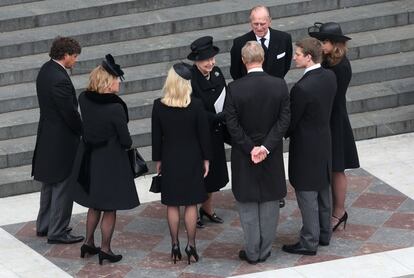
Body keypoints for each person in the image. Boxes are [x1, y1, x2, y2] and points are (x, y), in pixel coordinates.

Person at [224, 41, 290, 264]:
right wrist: (266, 147)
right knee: (270, 202)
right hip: (270, 154)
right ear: (262, 58)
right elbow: (284, 120)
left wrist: (250, 147)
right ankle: (264, 251)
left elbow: (231, 124)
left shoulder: (234, 88)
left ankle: (252, 252)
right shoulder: (279, 85)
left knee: (248, 203)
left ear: (243, 61)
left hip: (245, 155)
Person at [72, 54, 140, 264]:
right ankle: (106, 249)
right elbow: (126, 140)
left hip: (90, 159)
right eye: (116, 79)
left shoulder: (84, 98)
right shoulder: (115, 108)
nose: (119, 82)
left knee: (95, 205)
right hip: (111, 162)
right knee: (109, 207)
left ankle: (89, 243)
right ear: (108, 82)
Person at [152, 63, 212, 265]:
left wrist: (158, 160)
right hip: (192, 158)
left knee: (172, 203)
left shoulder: (158, 105)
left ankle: (175, 244)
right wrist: (206, 159)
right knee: (191, 203)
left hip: (170, 158)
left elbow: (156, 137)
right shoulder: (195, 105)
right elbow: (204, 135)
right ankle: (191, 245)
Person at [282, 38, 337, 256]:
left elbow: (292, 123)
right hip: (324, 141)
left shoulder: (301, 88)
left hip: (305, 147)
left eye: (297, 54)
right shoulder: (330, 76)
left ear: (308, 57)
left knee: (306, 194)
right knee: (323, 189)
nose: (294, 57)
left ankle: (309, 241)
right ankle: (324, 234)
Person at [32, 36, 84, 244]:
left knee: (49, 184)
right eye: (74, 56)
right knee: (63, 185)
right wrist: (82, 130)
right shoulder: (60, 79)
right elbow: (69, 113)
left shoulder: (46, 70)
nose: (76, 60)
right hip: (61, 141)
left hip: (48, 136)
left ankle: (45, 225)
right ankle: (57, 231)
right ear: (65, 56)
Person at [309, 22, 360, 231]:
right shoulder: (330, 62)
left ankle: (339, 212)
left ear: (334, 44)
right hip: (329, 118)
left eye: (324, 42)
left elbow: (331, 96)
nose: (320, 45)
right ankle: (333, 210)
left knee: (337, 168)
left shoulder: (339, 67)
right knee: (332, 168)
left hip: (335, 121)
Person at [187, 36, 229, 228]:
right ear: (196, 61)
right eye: (206, 60)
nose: (211, 63)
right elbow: (191, 108)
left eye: (212, 59)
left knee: (214, 175)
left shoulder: (217, 73)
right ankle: (193, 213)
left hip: (216, 132)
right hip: (198, 134)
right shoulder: (190, 78)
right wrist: (214, 117)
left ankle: (207, 209)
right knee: (199, 175)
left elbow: (225, 94)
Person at [230, 5, 292, 80]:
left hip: (275, 87)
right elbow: (235, 72)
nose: (259, 28)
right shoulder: (239, 43)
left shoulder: (284, 39)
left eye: (262, 24)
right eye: (255, 24)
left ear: (269, 21)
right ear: (250, 22)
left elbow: (286, 64)